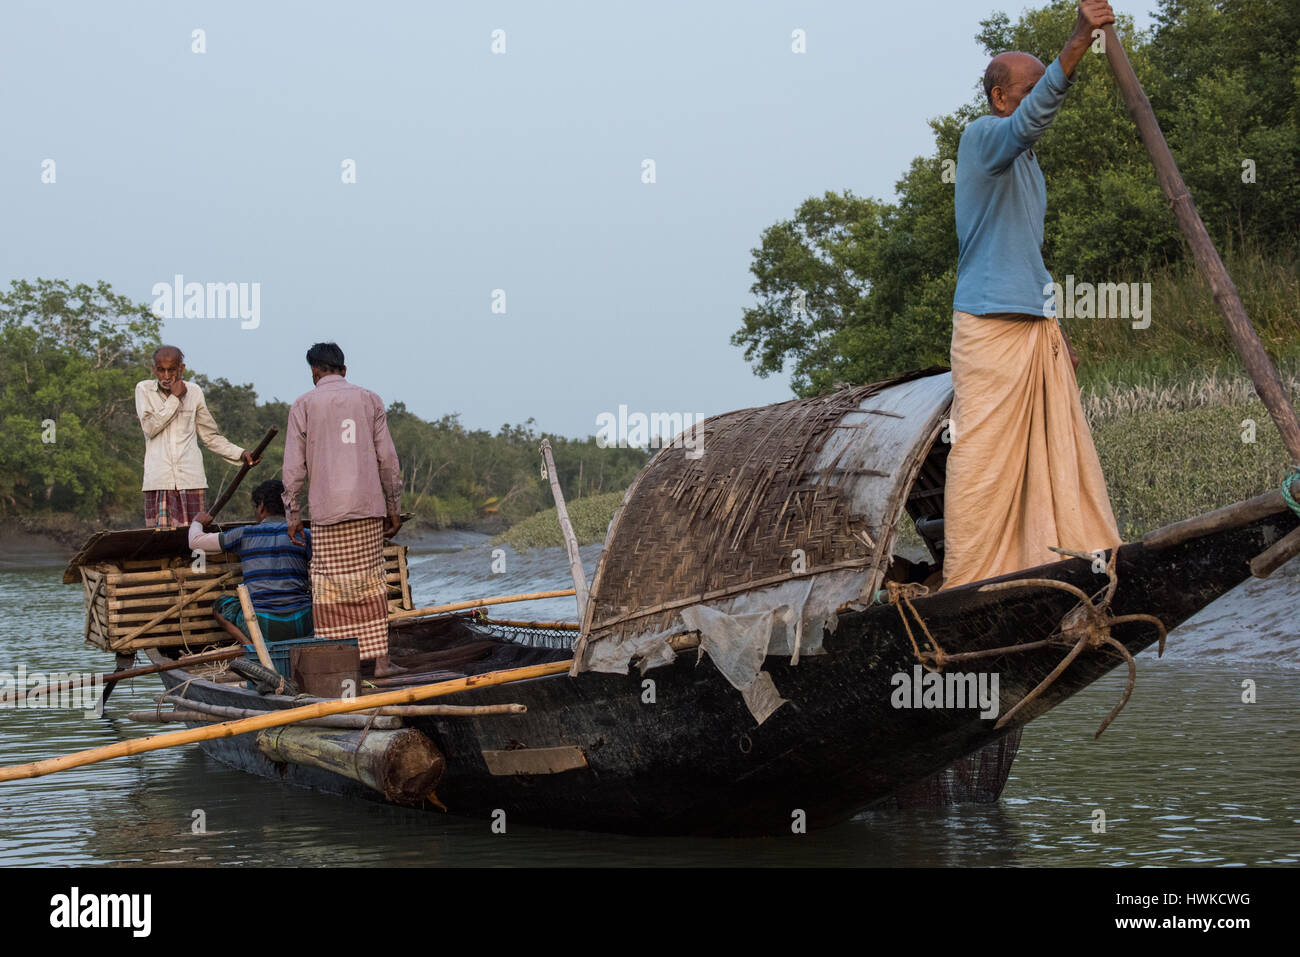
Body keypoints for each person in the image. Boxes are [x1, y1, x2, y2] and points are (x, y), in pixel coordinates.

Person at [942, 0, 1123, 589]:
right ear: (1000, 98)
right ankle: (969, 578)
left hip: (1032, 322)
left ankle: (1054, 561)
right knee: (982, 456)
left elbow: (1028, 256)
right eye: (1029, 86)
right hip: (988, 324)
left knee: (1054, 452)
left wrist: (1056, 331)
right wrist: (1078, 40)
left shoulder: (1027, 166)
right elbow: (1031, 120)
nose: (1041, 95)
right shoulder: (984, 140)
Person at [282, 343, 404, 675]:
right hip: (367, 509)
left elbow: (294, 468)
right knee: (371, 582)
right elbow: (388, 460)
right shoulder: (370, 399)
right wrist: (394, 507)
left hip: (326, 512)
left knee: (328, 586)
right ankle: (380, 662)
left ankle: (340, 668)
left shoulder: (303, 404)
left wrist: (292, 514)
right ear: (344, 370)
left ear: (314, 372)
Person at [135, 345, 259, 527]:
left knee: (194, 539)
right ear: (154, 370)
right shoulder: (144, 389)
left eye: (172, 370)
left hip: (191, 481)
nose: (167, 376)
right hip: (159, 482)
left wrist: (241, 453)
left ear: (181, 369)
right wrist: (175, 399)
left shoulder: (194, 392)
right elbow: (150, 427)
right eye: (161, 370)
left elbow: (210, 436)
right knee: (161, 542)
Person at [189, 480, 314, 643]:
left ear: (261, 506)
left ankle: (253, 649)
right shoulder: (304, 535)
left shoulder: (244, 535)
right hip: (303, 622)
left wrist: (197, 522)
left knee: (221, 605)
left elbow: (195, 542)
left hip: (261, 623)